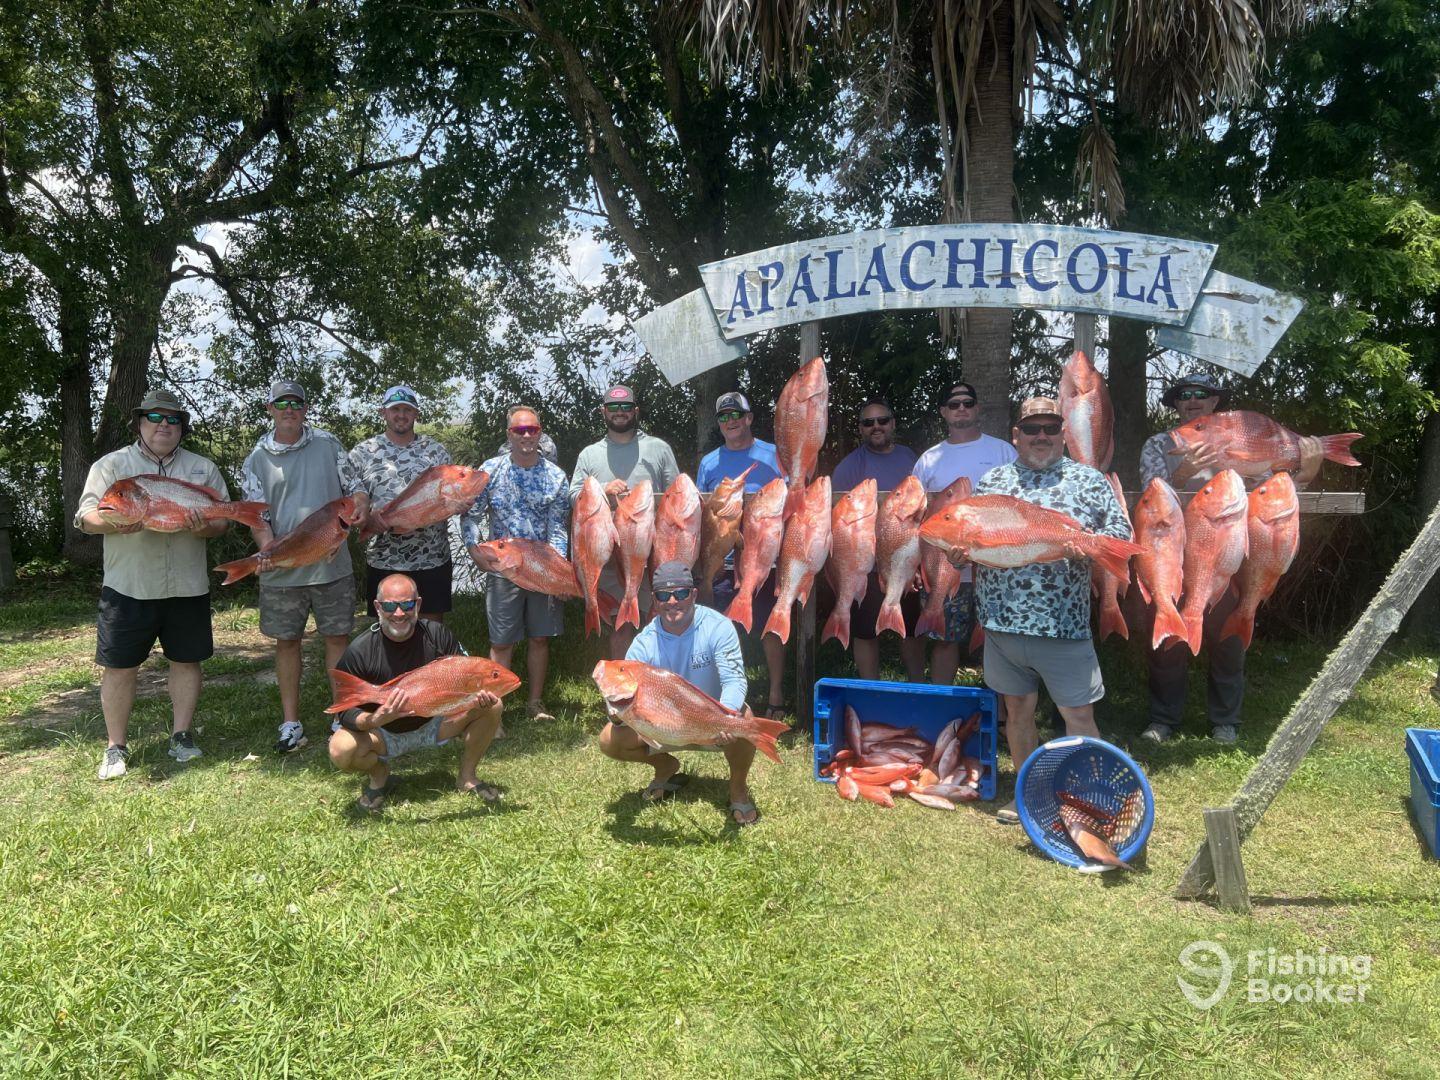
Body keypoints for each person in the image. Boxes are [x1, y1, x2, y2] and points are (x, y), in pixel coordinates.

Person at [968, 397, 1132, 824]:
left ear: (1063, 433)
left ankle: (1087, 798)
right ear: (1016, 435)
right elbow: (973, 543)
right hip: (1002, 622)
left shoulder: (1089, 480)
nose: (1042, 436)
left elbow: (1119, 533)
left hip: (1063, 623)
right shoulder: (993, 482)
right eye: (1032, 428)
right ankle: (1031, 793)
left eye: (1050, 428)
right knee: (1016, 712)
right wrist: (957, 554)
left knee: (1077, 713)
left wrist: (1090, 546)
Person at [1137, 371, 1323, 746]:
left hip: (1225, 557)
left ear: (1214, 401)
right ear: (1174, 403)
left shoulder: (1239, 441)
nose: (1192, 399)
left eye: (1201, 394)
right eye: (1184, 394)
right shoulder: (1159, 444)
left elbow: (1275, 488)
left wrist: (1310, 468)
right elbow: (1150, 495)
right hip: (1173, 558)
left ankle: (1225, 721)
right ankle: (1163, 719)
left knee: (1228, 641)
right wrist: (1186, 469)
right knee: (1169, 641)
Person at [75, 390, 231, 779]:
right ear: (140, 422)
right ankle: (115, 747)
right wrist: (111, 521)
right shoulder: (112, 466)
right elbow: (86, 516)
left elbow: (221, 522)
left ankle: (181, 735)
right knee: (119, 667)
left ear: (182, 427)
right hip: (129, 586)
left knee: (186, 660)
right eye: (156, 418)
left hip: (187, 586)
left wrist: (204, 527)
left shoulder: (202, 469)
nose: (164, 426)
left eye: (173, 420)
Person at [240, 379, 369, 755]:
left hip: (332, 565)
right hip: (283, 570)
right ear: (270, 409)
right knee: (287, 642)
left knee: (337, 640)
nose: (289, 409)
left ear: (306, 408)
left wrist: (360, 504)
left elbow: (356, 487)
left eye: (296, 402)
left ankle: (340, 716)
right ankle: (291, 722)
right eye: (282, 403)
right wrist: (265, 549)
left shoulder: (328, 444)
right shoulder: (257, 457)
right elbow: (256, 514)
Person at [598, 561, 762, 826]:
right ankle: (665, 767)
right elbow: (624, 695)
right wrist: (615, 713)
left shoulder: (718, 627)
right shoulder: (644, 642)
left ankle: (738, 789)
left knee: (744, 718)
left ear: (694, 595)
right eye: (663, 595)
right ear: (654, 600)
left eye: (681, 593)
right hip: (663, 727)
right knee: (609, 739)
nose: (672, 601)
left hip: (712, 725)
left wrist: (725, 714)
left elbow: (734, 680)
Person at [327, 573, 504, 811]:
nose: (399, 613)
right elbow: (344, 711)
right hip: (383, 734)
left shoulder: (437, 635)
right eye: (390, 606)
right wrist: (376, 718)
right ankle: (380, 776)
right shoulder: (360, 650)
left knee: (493, 705)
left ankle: (467, 777)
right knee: (340, 749)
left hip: (434, 723)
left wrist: (475, 700)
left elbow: (464, 674)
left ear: (418, 604)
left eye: (407, 604)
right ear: (378, 607)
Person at [462, 405, 569, 726]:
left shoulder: (555, 476)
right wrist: (472, 548)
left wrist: (560, 572)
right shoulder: (490, 471)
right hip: (503, 569)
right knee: (501, 641)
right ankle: (494, 711)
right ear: (509, 434)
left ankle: (535, 703)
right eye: (519, 430)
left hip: (541, 570)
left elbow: (559, 527)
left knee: (539, 637)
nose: (526, 435)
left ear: (540, 433)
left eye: (532, 430)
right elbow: (471, 513)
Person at [912, 381, 1018, 685]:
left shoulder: (1003, 451)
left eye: (967, 403)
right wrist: (919, 566)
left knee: (998, 642)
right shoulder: (929, 459)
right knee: (944, 639)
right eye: (954, 403)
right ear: (944, 412)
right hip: (943, 568)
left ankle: (999, 715)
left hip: (996, 568)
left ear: (977, 408)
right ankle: (941, 707)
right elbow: (917, 518)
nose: (961, 408)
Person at [569, 384, 680, 658]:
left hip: (651, 551)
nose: (620, 413)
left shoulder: (659, 448)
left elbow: (675, 495)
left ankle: (657, 685)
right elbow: (572, 496)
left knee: (659, 620)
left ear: (635, 411)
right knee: (621, 624)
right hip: (606, 554)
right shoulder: (589, 454)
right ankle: (622, 687)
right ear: (604, 412)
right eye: (614, 408)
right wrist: (603, 489)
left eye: (626, 407)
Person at [696, 390, 787, 720]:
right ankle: (724, 698)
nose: (731, 421)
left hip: (765, 558)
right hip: (724, 562)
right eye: (724, 417)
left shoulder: (775, 456)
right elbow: (705, 517)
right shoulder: (709, 463)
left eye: (737, 414)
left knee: (769, 628)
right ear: (719, 424)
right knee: (721, 631)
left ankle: (776, 694)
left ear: (749, 418)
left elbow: (791, 503)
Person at [830, 399, 925, 680]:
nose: (876, 427)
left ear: (893, 424)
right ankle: (869, 687)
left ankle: (917, 686)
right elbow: (838, 523)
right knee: (865, 632)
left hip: (904, 561)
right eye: (868, 423)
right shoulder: (848, 468)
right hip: (864, 567)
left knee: (911, 631)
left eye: (882, 421)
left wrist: (918, 563)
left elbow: (923, 511)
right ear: (860, 428)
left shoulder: (912, 460)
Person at [350, 385, 456, 623]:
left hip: (432, 557)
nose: (401, 414)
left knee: (431, 631)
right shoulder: (363, 453)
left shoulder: (436, 452)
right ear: (383, 413)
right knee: (389, 630)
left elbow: (449, 498)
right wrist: (366, 517)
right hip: (384, 558)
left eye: (407, 409)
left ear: (416, 414)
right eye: (395, 409)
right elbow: (351, 498)